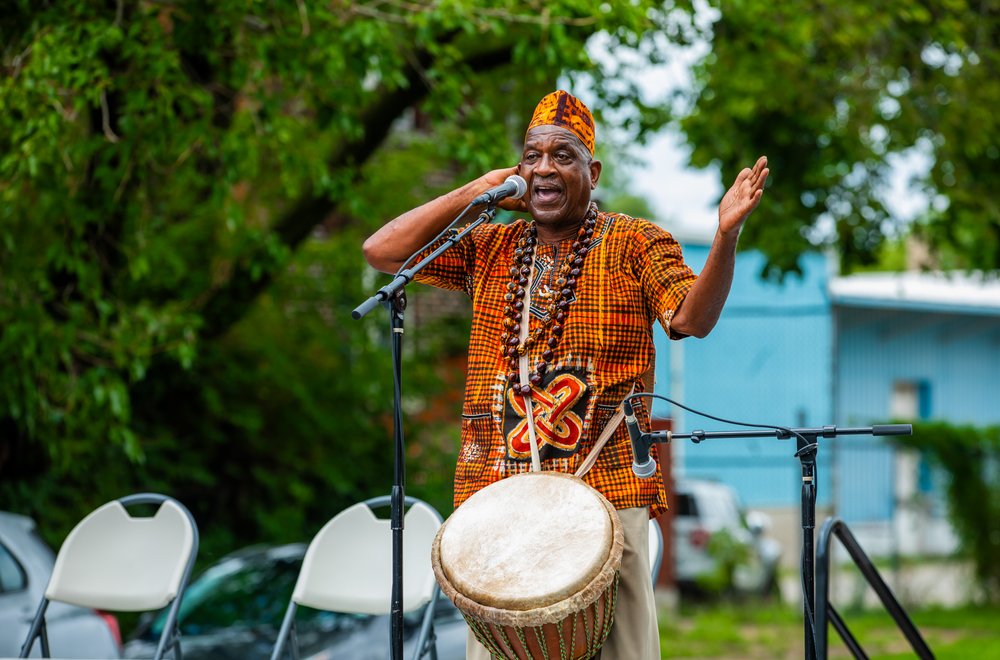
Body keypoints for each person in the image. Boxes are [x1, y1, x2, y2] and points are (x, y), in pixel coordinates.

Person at [363, 90, 768, 659]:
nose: (544, 169)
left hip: (603, 495)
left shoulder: (636, 242)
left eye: (563, 155)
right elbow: (383, 252)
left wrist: (724, 236)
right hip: (499, 500)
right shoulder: (490, 245)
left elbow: (690, 318)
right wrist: (480, 189)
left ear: (592, 171)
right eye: (532, 157)